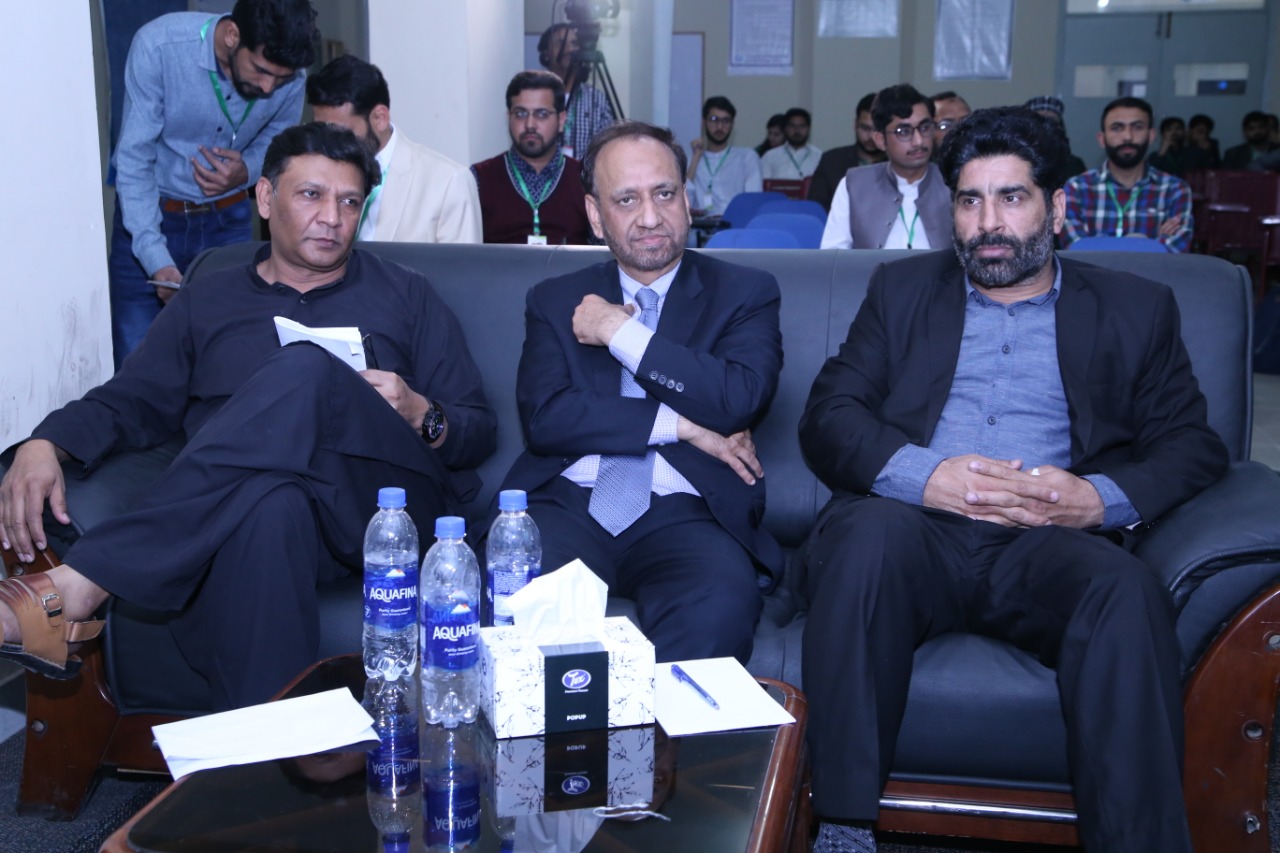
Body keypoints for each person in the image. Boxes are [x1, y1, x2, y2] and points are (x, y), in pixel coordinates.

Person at [799, 105, 1227, 853]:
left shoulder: (1135, 308)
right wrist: (927, 476)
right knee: (866, 537)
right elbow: (830, 416)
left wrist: (1095, 500)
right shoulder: (901, 292)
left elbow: (1192, 444)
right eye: (969, 201)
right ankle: (843, 826)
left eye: (1011, 197)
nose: (988, 222)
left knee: (1126, 590)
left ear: (1055, 209)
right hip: (911, 532)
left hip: (1043, 542)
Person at [0, 123, 497, 710]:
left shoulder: (407, 294)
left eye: (349, 202)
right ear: (265, 197)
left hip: (382, 509)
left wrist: (420, 412)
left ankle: (87, 581)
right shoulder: (207, 299)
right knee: (269, 503)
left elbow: (477, 429)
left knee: (305, 368)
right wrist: (44, 443)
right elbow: (131, 400)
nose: (332, 218)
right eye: (311, 195)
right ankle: (274, 751)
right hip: (264, 517)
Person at [495, 121, 784, 664]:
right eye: (626, 199)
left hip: (688, 513)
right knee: (517, 617)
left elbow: (737, 398)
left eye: (664, 194)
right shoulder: (554, 299)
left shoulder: (744, 293)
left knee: (718, 608)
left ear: (687, 199)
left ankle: (667, 726)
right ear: (595, 214)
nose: (650, 217)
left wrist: (619, 333)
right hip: (566, 506)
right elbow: (547, 419)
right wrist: (684, 425)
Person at [109, 0, 317, 370]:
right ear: (233, 36)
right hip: (148, 222)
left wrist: (247, 170)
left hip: (227, 225)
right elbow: (134, 159)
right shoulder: (160, 47)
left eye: (280, 79)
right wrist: (156, 260)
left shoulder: (289, 75)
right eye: (260, 70)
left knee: (228, 361)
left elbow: (280, 143)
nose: (268, 87)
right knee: (137, 363)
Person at [306, 54, 482, 244]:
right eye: (321, 129)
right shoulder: (311, 174)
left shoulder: (448, 183)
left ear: (379, 118)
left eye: (342, 133)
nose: (330, 142)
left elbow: (461, 264)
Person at [820, 84, 951, 250]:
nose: (918, 141)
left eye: (925, 128)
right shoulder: (853, 186)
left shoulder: (954, 182)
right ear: (880, 140)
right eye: (904, 131)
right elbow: (833, 256)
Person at [471, 70, 592, 245]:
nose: (529, 125)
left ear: (561, 120)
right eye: (520, 113)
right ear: (508, 117)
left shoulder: (586, 178)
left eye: (541, 114)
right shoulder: (479, 179)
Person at [1061, 97, 1193, 252]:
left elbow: (1174, 252)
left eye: (1137, 127)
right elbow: (1076, 250)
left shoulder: (1175, 189)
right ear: (1102, 139)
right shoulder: (1077, 188)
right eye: (1117, 128)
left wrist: (1099, 244)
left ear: (1151, 136)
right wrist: (1143, 241)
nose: (1128, 136)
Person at [537, 22, 616, 159]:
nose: (569, 49)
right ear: (546, 54)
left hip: (584, 172)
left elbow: (609, 146)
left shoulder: (596, 98)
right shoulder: (535, 96)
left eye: (574, 43)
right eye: (560, 43)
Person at [686, 96, 763, 217]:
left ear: (732, 124)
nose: (720, 127)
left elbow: (753, 201)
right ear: (704, 122)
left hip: (737, 224)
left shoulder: (747, 157)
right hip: (702, 225)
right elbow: (683, 203)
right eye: (714, 119)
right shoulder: (693, 159)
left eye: (726, 120)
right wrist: (695, 159)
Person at [808, 93, 885, 212]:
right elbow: (816, 209)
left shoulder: (898, 164)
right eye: (865, 128)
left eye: (877, 130)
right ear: (855, 125)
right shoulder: (831, 161)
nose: (871, 136)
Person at [1023, 96, 1089, 177]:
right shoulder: (1018, 161)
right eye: (1039, 120)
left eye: (1051, 121)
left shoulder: (1074, 164)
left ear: (1060, 127)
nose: (1045, 127)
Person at [760, 108, 823, 180]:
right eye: (792, 126)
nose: (797, 130)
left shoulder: (819, 156)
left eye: (802, 126)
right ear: (786, 128)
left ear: (808, 129)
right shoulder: (770, 156)